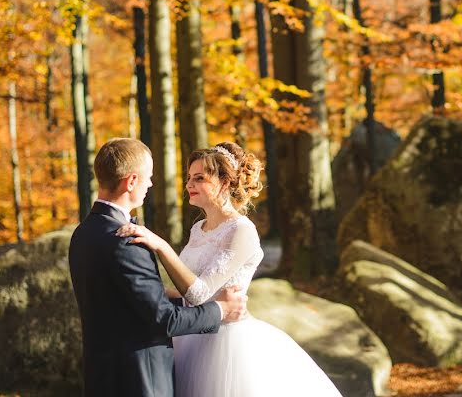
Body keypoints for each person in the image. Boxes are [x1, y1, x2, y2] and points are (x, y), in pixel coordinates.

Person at [116, 141, 343, 397]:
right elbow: (186, 292)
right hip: (191, 334)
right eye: (189, 177)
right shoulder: (197, 229)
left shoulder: (241, 231)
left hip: (226, 343)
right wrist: (144, 291)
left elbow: (198, 293)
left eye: (199, 178)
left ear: (225, 182)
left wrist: (161, 246)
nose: (189, 184)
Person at [68, 137, 247, 397]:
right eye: (148, 177)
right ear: (131, 181)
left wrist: (169, 294)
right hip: (138, 381)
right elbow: (163, 320)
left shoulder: (83, 233)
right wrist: (221, 309)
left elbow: (123, 301)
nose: (151, 184)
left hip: (101, 377)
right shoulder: (125, 239)